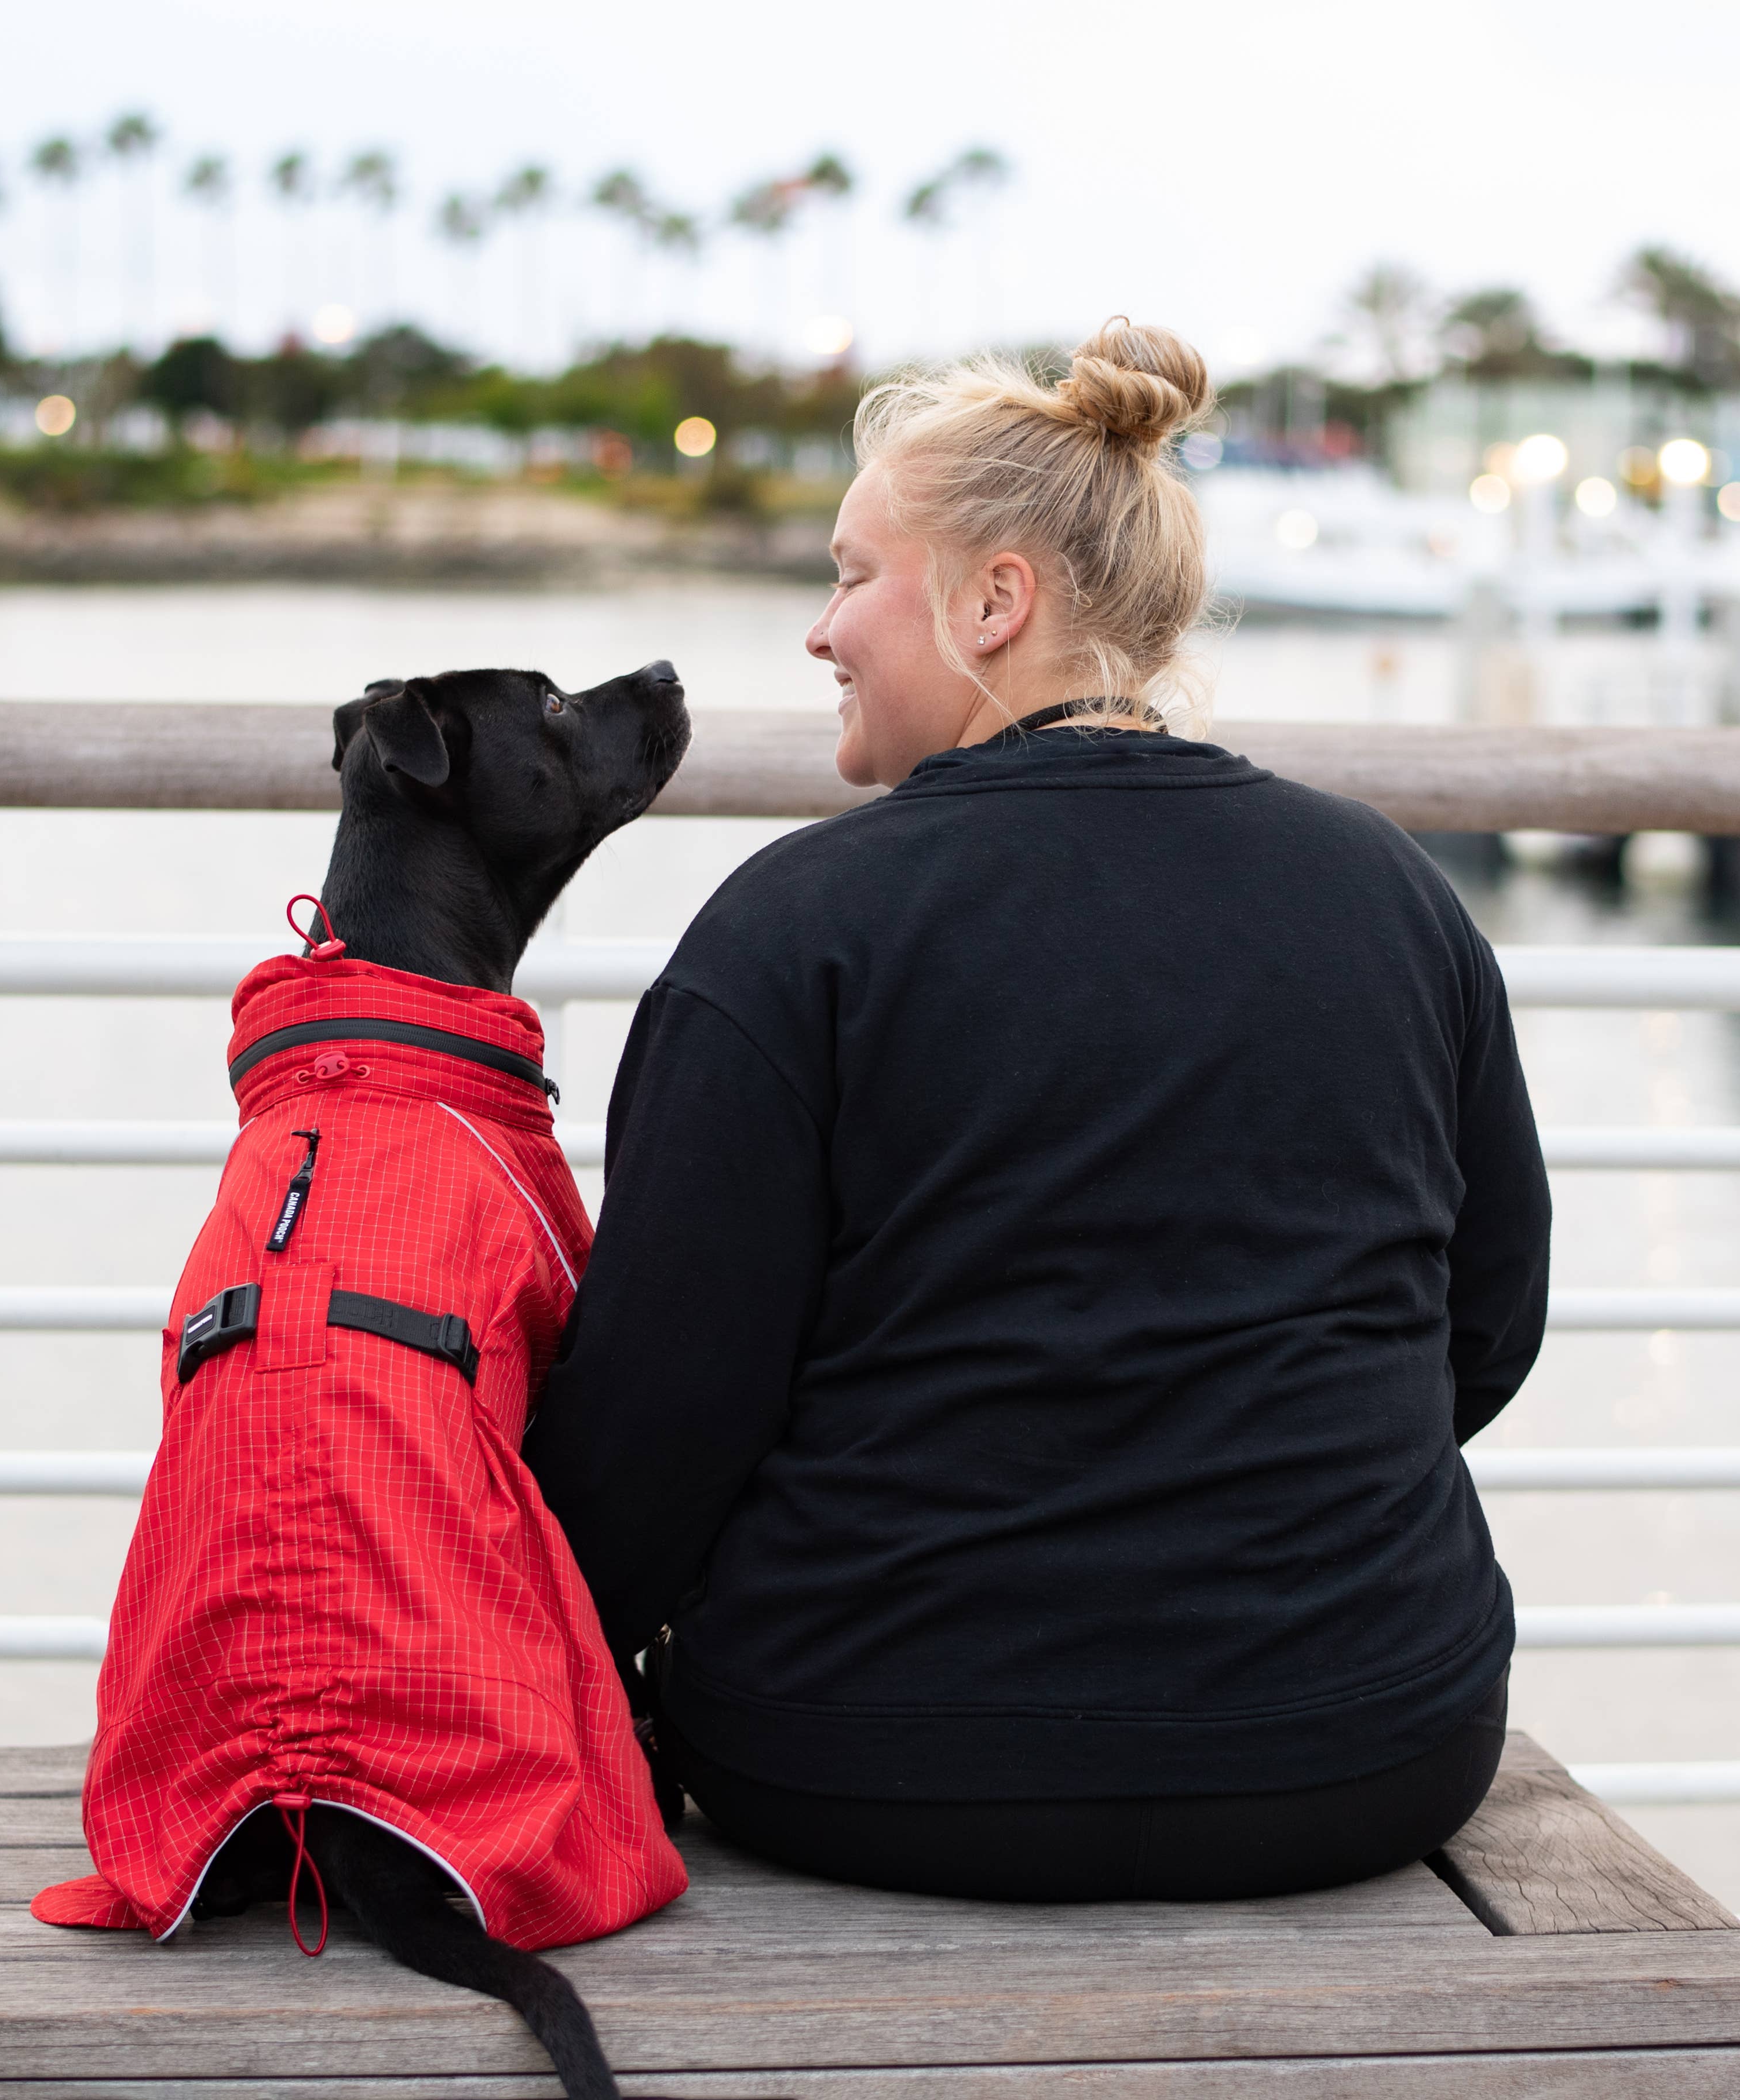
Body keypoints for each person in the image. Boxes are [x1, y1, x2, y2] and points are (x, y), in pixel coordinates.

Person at [523, 319, 1550, 1903]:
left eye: (855, 574)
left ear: (995, 600)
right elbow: (1487, 1323)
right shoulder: (1390, 895)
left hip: (868, 1763)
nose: (819, 631)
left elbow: (654, 1431)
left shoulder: (797, 930)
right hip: (1368, 1745)